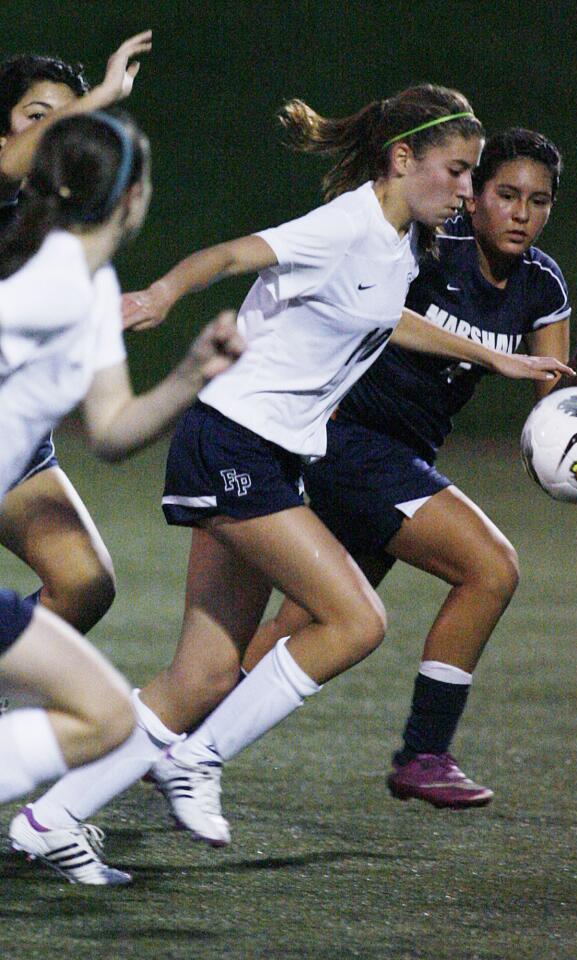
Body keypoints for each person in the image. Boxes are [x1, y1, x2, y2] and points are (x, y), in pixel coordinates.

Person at [12, 88, 573, 884]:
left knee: (202, 676)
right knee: (355, 619)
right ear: (402, 160)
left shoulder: (400, 243)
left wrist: (501, 358)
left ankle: (50, 819)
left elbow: (383, 319)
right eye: (457, 171)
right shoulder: (346, 223)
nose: (465, 190)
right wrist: (166, 293)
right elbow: (236, 254)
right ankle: (197, 760)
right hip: (236, 444)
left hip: (263, 453)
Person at [241, 128, 577, 810]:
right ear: (473, 198)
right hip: (344, 437)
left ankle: (171, 730)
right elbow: (376, 315)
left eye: (538, 201)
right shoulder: (425, 251)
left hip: (396, 461)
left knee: (304, 626)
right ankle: (425, 753)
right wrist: (494, 357)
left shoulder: (542, 285)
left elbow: (549, 417)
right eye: (505, 194)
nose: (521, 213)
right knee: (490, 568)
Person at [1, 111, 244, 883]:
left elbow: (110, 430)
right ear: (131, 196)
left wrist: (190, 375)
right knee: (100, 715)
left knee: (106, 717)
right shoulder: (47, 283)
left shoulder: (89, 283)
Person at [0, 32, 152, 633]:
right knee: (99, 713)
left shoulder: (60, 240)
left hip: (13, 439)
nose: (59, 131)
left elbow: (112, 425)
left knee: (84, 583)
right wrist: (102, 99)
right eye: (41, 117)